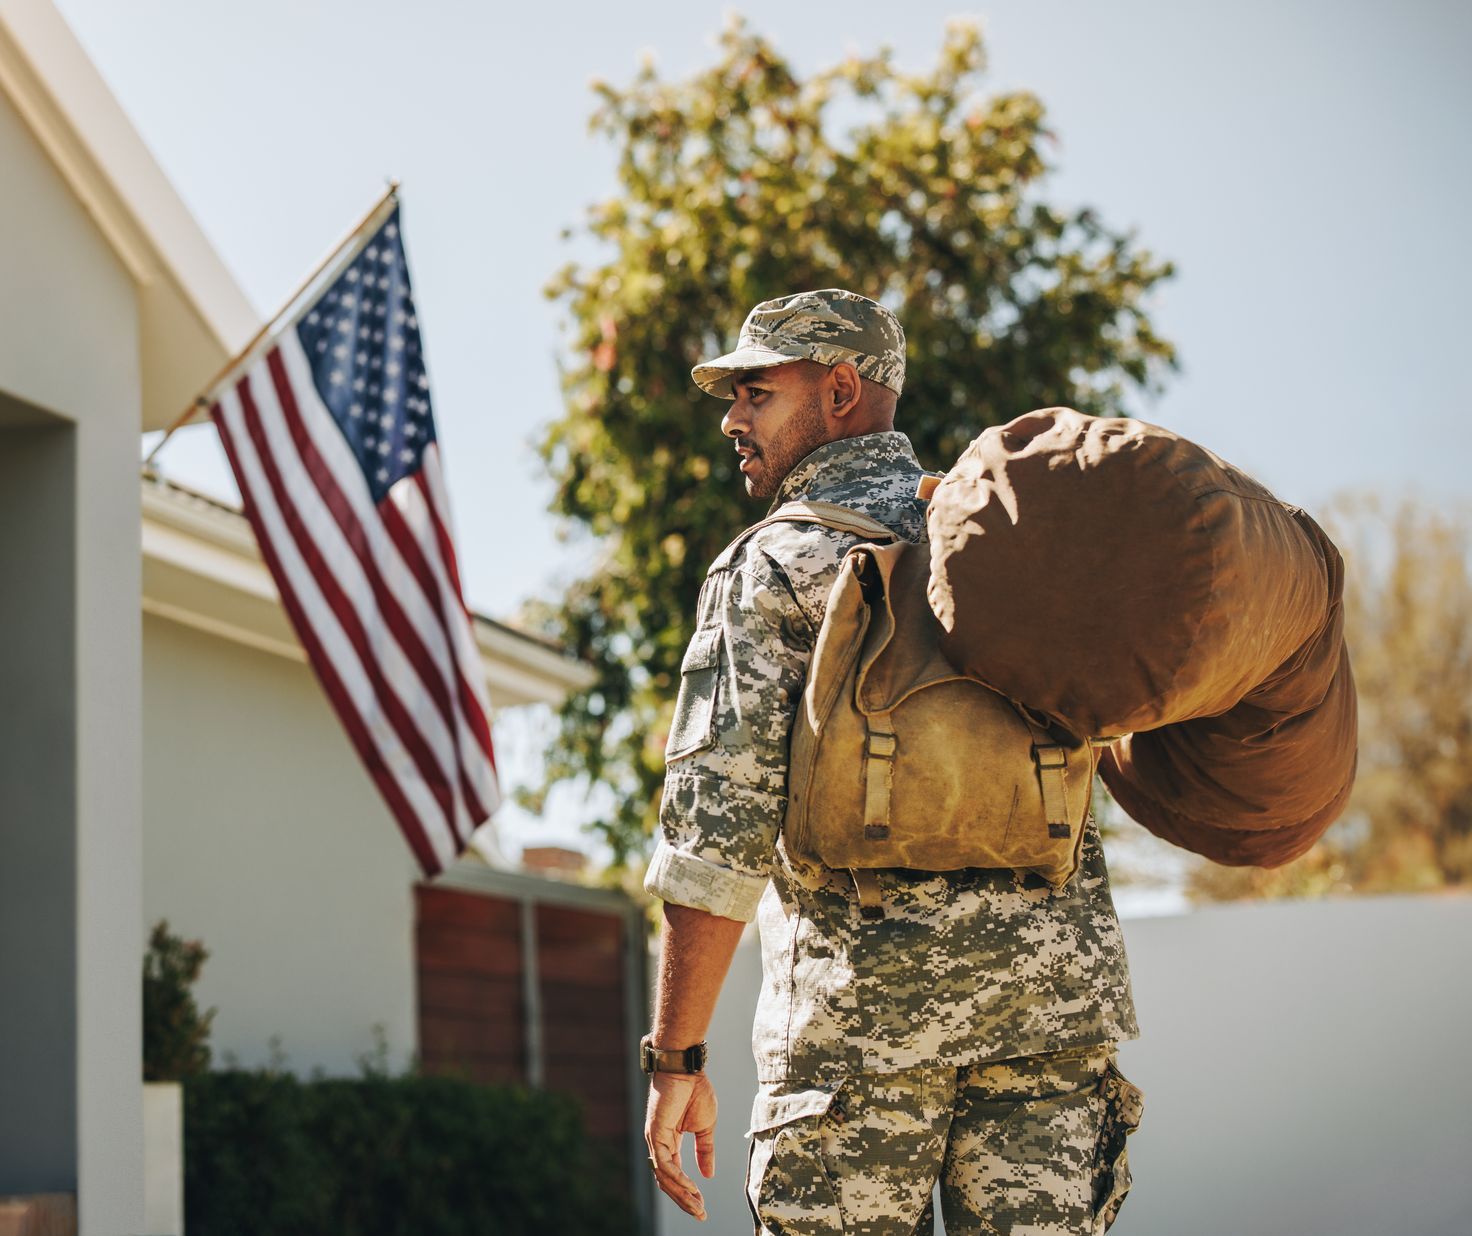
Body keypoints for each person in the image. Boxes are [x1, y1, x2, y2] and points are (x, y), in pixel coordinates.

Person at [641, 288, 1144, 1235]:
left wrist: (676, 1060)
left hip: (858, 1047)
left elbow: (717, 839)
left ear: (839, 392)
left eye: (756, 391)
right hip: (1052, 1025)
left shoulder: (775, 563)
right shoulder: (1012, 542)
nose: (732, 418)